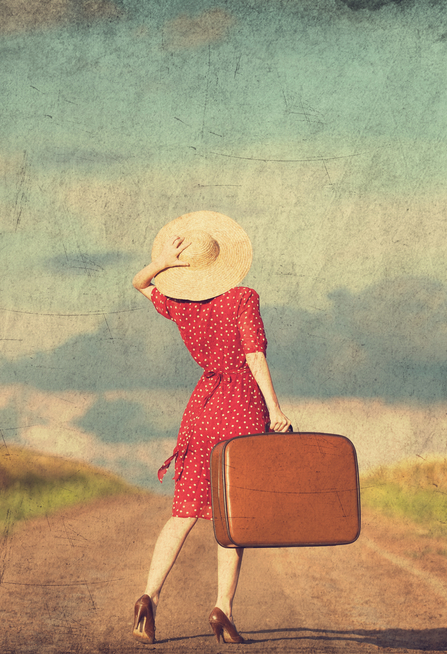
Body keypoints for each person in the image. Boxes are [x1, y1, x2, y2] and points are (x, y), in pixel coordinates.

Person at [129, 210, 291, 645]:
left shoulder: (180, 303)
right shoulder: (243, 298)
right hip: (240, 407)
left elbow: (139, 283)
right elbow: (255, 355)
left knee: (183, 514)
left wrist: (164, 262)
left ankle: (149, 598)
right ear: (224, 262)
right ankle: (223, 608)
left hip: (201, 411)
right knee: (231, 518)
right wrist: (276, 409)